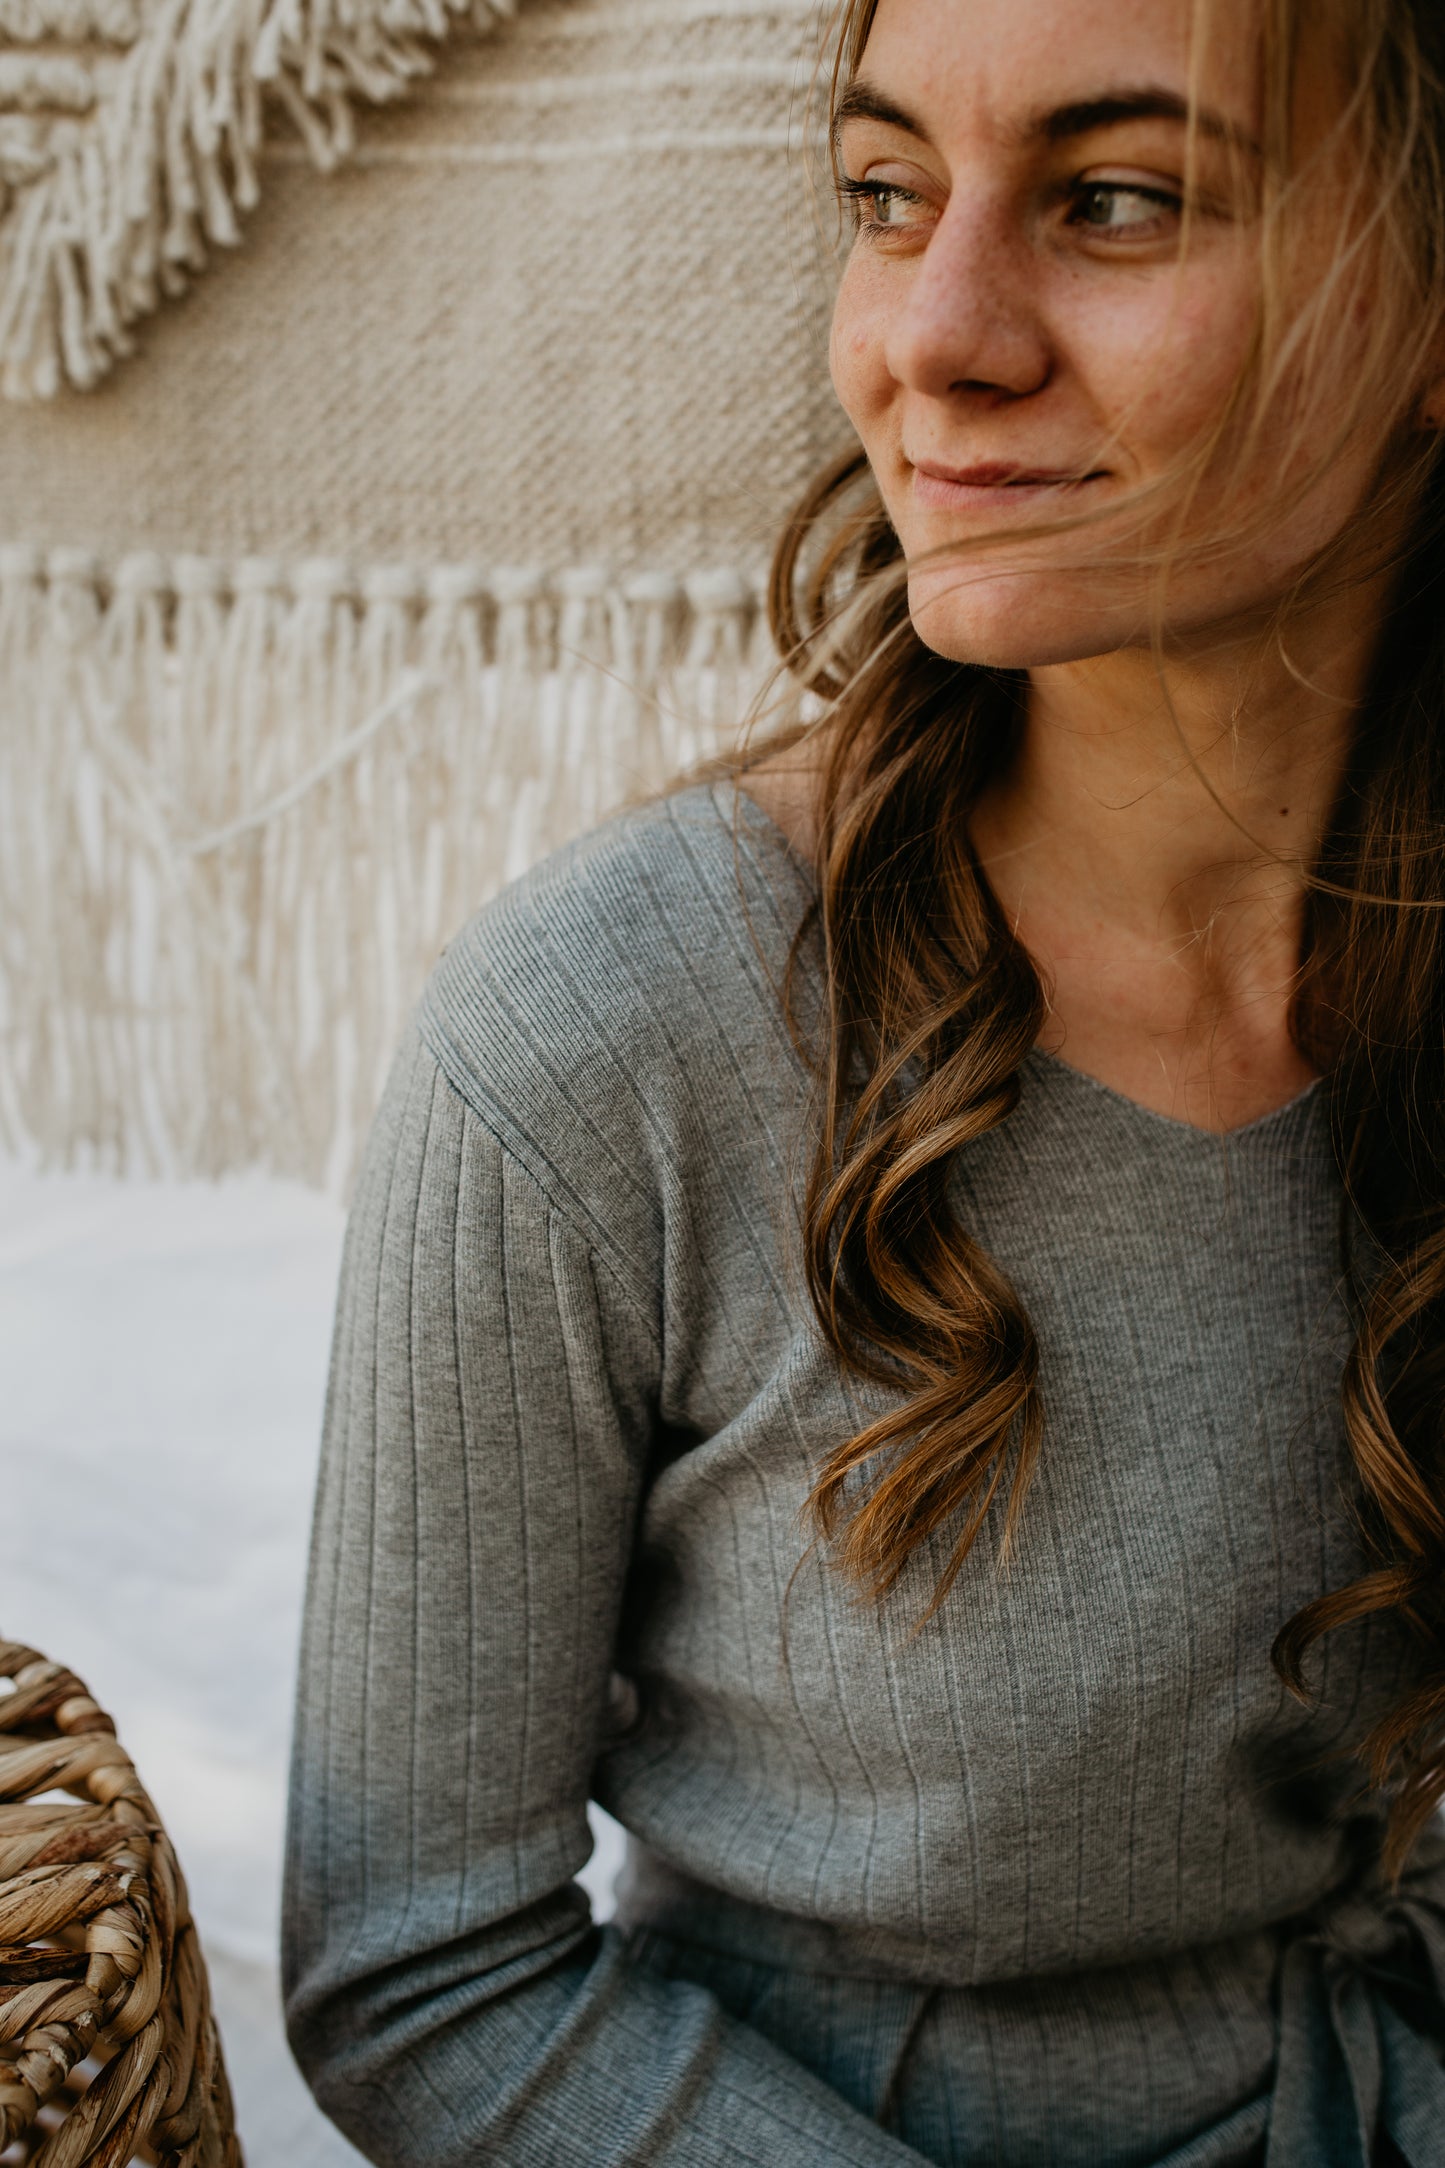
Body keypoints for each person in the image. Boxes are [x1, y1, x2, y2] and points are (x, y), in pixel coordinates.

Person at [281, 0, 1445, 2158]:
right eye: (888, 196)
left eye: (1112, 199)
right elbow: (426, 1972)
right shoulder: (601, 1039)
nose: (937, 334)